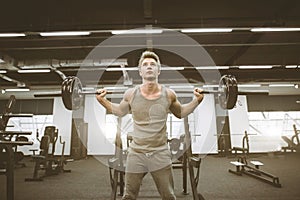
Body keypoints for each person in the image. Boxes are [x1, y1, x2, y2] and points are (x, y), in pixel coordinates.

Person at [96, 50, 204, 200]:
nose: (149, 67)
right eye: (145, 65)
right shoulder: (131, 94)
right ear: (140, 71)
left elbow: (181, 113)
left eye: (153, 64)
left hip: (160, 153)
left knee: (169, 196)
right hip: (136, 153)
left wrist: (197, 100)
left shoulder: (169, 94)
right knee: (128, 196)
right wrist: (103, 101)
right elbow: (120, 111)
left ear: (158, 70)